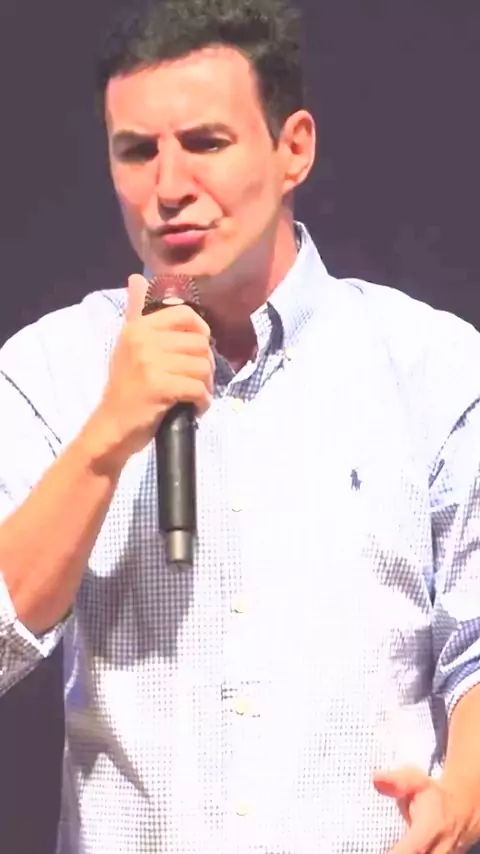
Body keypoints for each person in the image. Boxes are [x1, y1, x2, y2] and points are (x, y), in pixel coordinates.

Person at [0, 0, 479, 851]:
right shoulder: (51, 369)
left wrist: (462, 797)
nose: (169, 188)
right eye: (136, 151)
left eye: (205, 143)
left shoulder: (434, 369)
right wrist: (107, 436)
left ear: (294, 148)